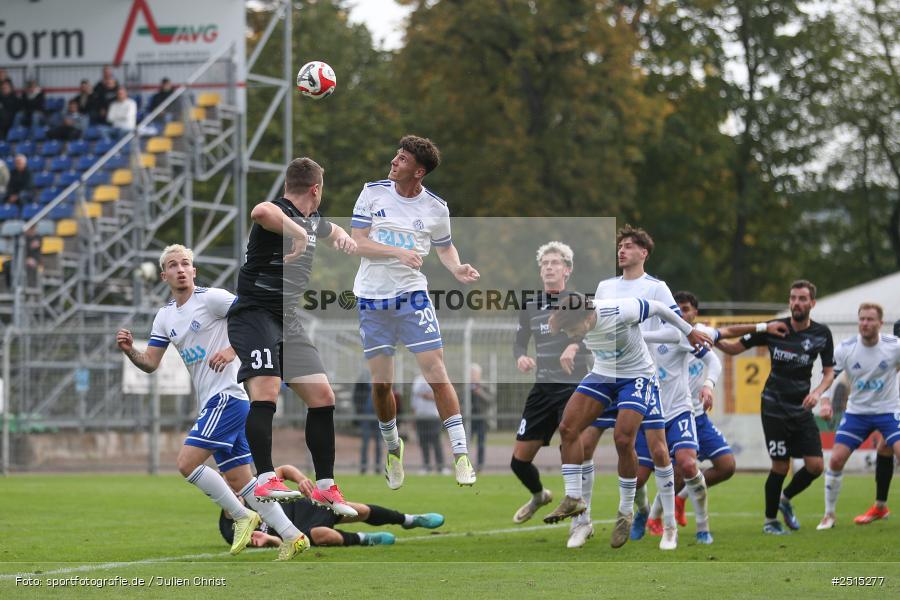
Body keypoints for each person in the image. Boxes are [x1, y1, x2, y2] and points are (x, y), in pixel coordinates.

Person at [116, 244, 310, 561]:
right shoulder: (165, 317)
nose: (180, 269)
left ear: (194, 271)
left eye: (186, 264)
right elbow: (151, 363)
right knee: (239, 479)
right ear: (164, 275)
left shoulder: (212, 299)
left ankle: (243, 516)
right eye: (173, 265)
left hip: (229, 397)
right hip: (212, 402)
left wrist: (233, 350)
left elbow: (256, 319)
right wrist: (129, 351)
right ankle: (294, 536)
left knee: (186, 463)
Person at [227, 157, 357, 515]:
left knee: (322, 396)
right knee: (267, 389)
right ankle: (266, 476)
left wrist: (343, 236)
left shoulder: (315, 220)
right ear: (316, 189)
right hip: (255, 315)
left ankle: (326, 487)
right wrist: (297, 233)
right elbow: (259, 211)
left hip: (288, 320)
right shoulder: (279, 211)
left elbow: (329, 230)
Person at [349, 135, 480, 489]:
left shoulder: (436, 208)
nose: (394, 161)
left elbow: (445, 246)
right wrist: (395, 252)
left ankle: (460, 453)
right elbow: (357, 242)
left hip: (411, 295)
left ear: (418, 171)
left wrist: (455, 268)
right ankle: (394, 446)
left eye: (402, 159)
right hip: (372, 299)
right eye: (396, 155)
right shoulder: (373, 192)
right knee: (382, 385)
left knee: (436, 370)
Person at [542, 293, 711, 551]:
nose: (570, 334)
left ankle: (625, 512)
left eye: (572, 330)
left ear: (588, 319)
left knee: (623, 439)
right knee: (567, 428)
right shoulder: (573, 316)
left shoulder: (621, 310)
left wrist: (688, 332)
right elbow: (561, 324)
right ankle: (574, 498)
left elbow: (657, 307)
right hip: (603, 372)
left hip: (637, 376)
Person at [569, 225, 684, 549]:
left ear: (644, 253)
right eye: (620, 245)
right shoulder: (605, 286)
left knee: (657, 450)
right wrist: (574, 346)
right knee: (586, 440)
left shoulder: (656, 288)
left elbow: (676, 331)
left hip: (645, 376)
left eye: (630, 245)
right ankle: (582, 521)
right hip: (607, 376)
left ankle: (669, 527)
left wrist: (640, 335)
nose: (622, 250)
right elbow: (590, 324)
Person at [716, 279, 835, 535]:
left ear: (812, 303)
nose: (796, 303)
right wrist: (710, 337)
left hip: (802, 407)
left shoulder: (821, 334)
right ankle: (770, 521)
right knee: (780, 466)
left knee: (815, 466)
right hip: (773, 406)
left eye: (802, 299)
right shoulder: (775, 328)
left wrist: (817, 392)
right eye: (793, 298)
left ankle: (785, 499)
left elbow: (828, 373)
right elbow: (732, 347)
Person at [509, 241, 590, 536]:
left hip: (573, 387)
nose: (549, 268)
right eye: (544, 264)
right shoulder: (530, 304)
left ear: (567, 270)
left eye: (555, 263)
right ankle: (540, 495)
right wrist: (521, 357)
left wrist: (574, 344)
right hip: (542, 389)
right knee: (518, 462)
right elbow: (519, 340)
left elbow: (594, 331)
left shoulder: (578, 301)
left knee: (571, 440)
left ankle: (581, 519)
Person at [639, 291, 734, 540]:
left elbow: (723, 343)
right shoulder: (655, 334)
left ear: (695, 312)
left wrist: (708, 385)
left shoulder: (696, 333)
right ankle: (648, 515)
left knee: (723, 466)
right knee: (670, 472)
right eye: (676, 309)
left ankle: (685, 510)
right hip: (657, 414)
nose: (682, 313)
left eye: (686, 309)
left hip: (694, 413)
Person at [815, 303, 900, 530]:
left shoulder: (894, 347)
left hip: (888, 410)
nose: (865, 323)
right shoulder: (846, 348)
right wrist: (824, 402)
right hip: (857, 413)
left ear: (881, 324)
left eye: (870, 319)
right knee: (835, 459)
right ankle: (829, 515)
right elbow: (828, 377)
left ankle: (880, 506)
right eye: (862, 319)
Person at [218, 464, 445, 548]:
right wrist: (271, 541)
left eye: (231, 485)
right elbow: (274, 544)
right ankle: (365, 540)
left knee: (359, 510)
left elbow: (284, 469)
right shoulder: (233, 532)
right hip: (296, 533)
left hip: (303, 508)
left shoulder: (253, 486)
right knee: (323, 535)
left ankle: (410, 519)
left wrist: (300, 480)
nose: (234, 492)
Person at [411, 374, 445, 474]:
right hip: (420, 416)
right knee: (423, 442)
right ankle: (426, 466)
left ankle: (441, 467)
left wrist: (427, 395)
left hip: (433, 416)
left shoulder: (436, 378)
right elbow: (414, 399)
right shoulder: (418, 380)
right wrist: (413, 417)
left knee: (436, 442)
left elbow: (438, 395)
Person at [353, 369, 383, 474]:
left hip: (379, 418)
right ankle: (363, 467)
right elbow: (356, 396)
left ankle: (378, 467)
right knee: (365, 443)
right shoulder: (363, 378)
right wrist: (360, 412)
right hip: (366, 417)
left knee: (379, 443)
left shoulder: (382, 377)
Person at [469, 362, 493, 472]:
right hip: (468, 419)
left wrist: (480, 392)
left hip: (482, 419)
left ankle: (480, 465)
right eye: (471, 373)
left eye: (475, 373)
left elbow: (490, 400)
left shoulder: (485, 386)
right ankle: (463, 465)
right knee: (465, 443)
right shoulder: (466, 387)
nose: (473, 375)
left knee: (481, 443)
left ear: (479, 374)